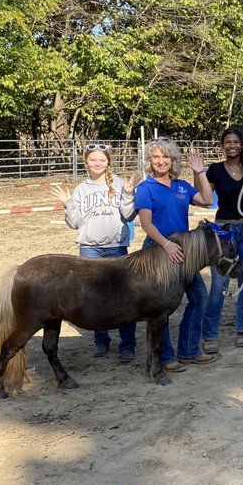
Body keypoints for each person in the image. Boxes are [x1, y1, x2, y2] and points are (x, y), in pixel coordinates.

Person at [51, 144, 140, 361]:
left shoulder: (120, 184)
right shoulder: (81, 189)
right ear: (86, 163)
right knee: (96, 297)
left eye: (102, 160)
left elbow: (129, 216)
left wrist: (128, 194)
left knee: (124, 297)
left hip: (117, 247)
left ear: (108, 162)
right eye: (93, 160)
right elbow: (74, 223)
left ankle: (127, 344)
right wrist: (68, 203)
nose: (98, 163)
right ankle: (101, 340)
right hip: (90, 249)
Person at [135, 137, 215, 372]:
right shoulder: (146, 188)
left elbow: (208, 200)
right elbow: (146, 224)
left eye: (165, 157)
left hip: (183, 250)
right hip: (157, 249)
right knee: (161, 306)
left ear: (173, 160)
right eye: (156, 157)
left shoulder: (181, 186)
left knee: (199, 297)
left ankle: (189, 350)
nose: (161, 161)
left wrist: (200, 173)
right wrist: (166, 245)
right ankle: (166, 356)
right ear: (150, 161)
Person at [201, 126, 243, 352]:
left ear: (241, 143)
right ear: (222, 145)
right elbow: (204, 198)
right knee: (218, 284)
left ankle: (242, 329)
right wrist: (198, 173)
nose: (232, 145)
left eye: (236, 141)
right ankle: (210, 334)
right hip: (223, 231)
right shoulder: (214, 169)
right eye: (228, 142)